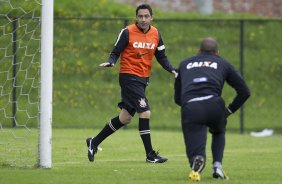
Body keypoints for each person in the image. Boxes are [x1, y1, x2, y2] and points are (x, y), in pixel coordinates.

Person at [86, 4, 177, 163]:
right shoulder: (127, 32)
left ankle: (94, 142)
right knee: (145, 112)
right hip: (129, 77)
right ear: (136, 17)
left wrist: (173, 70)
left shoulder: (156, 34)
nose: (143, 19)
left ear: (151, 17)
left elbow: (162, 57)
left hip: (142, 79)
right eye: (140, 16)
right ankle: (150, 155)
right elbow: (115, 52)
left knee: (125, 117)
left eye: (146, 16)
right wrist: (111, 62)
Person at [174, 37, 250, 181]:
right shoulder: (223, 63)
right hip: (214, 105)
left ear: (198, 51)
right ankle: (217, 166)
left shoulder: (184, 64)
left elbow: (178, 98)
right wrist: (229, 111)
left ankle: (198, 158)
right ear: (217, 52)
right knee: (218, 130)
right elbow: (244, 91)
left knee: (194, 143)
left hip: (192, 106)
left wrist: (191, 107)